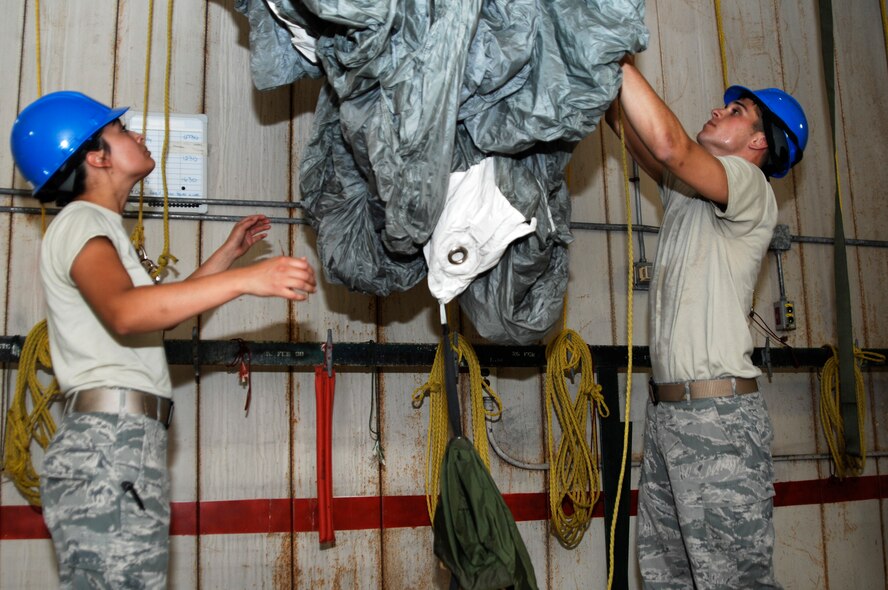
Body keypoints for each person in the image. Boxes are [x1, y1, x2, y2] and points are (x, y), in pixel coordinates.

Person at [9, 90, 318, 589]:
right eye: (122, 132)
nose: (140, 136)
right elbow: (127, 313)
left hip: (118, 444)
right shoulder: (83, 223)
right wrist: (246, 281)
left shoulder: (97, 227)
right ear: (95, 156)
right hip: (108, 446)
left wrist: (227, 257)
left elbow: (156, 316)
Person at [605, 57, 808, 589]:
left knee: (731, 582)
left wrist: (616, 51)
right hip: (671, 416)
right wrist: (592, 65)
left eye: (737, 110)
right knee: (668, 579)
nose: (719, 109)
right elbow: (632, 130)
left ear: (759, 144)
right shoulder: (688, 190)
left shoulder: (748, 187)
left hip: (718, 422)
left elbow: (669, 143)